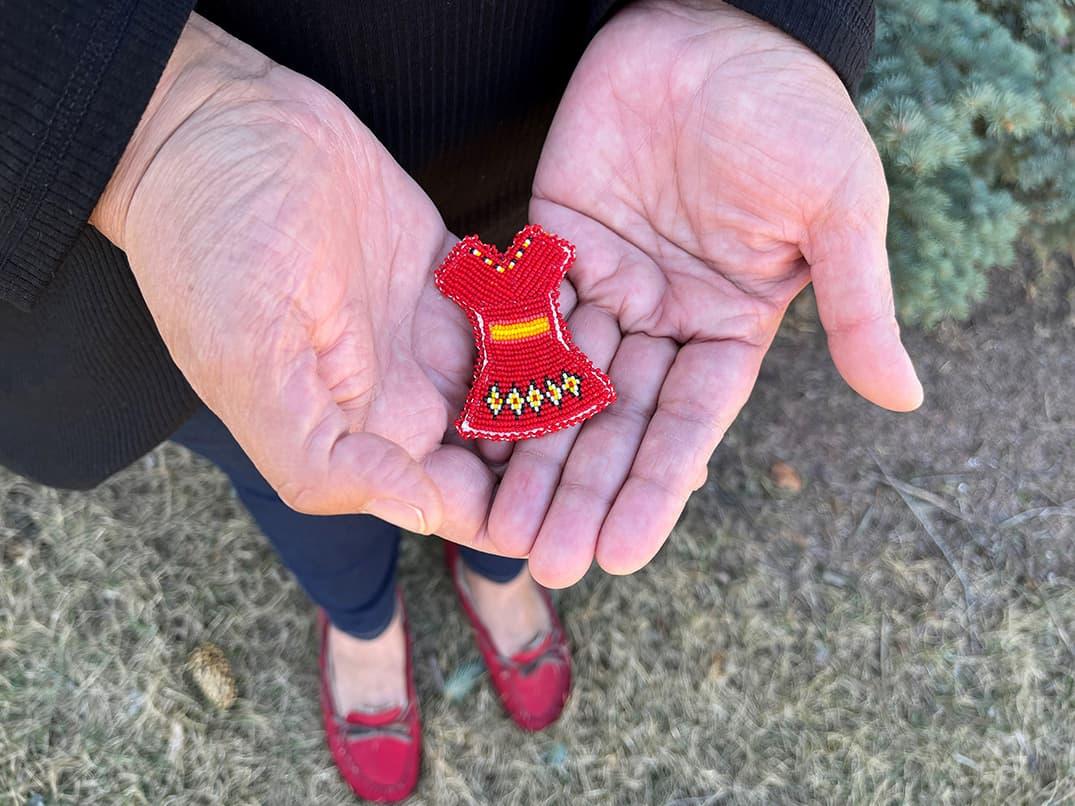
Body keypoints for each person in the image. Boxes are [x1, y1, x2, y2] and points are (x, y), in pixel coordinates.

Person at [0, 0, 922, 801]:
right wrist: (154, 116)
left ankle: (496, 567)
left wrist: (748, 10)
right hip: (176, 228)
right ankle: (360, 617)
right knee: (307, 455)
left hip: (577, 150)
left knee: (498, 474)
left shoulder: (568, 249)